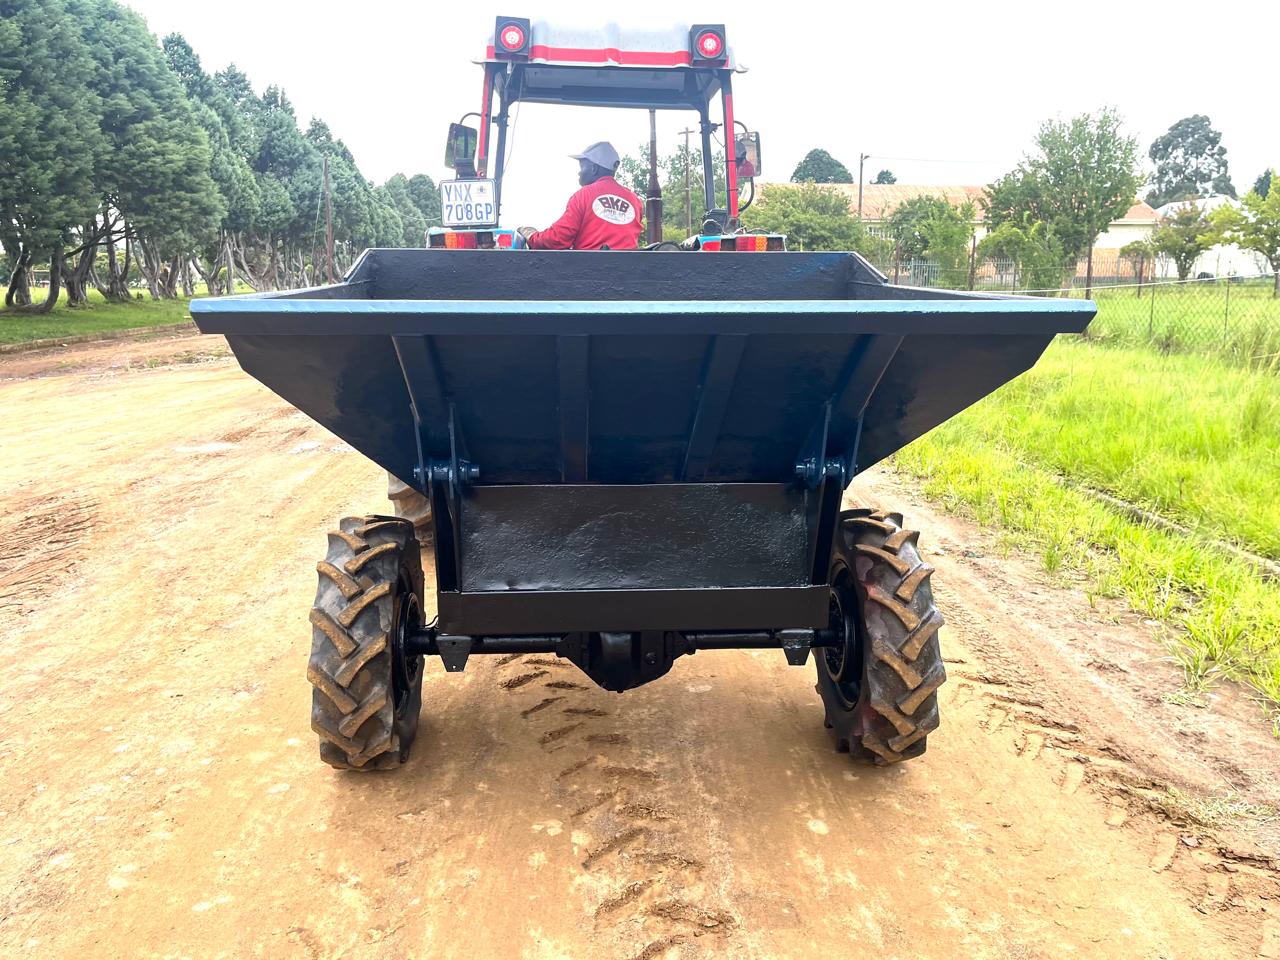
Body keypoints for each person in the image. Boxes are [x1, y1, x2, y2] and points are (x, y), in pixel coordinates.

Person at [518, 142, 644, 250]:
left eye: (582, 166)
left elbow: (557, 239)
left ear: (594, 168)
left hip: (590, 268)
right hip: (629, 269)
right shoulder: (635, 201)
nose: (579, 172)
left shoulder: (583, 195)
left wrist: (531, 235)